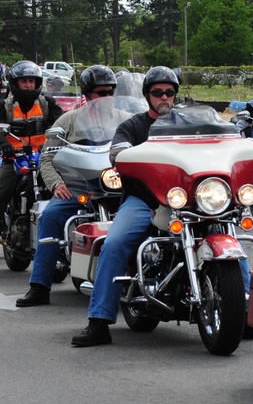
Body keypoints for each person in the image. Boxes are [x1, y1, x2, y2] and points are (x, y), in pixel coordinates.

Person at [69, 66, 180, 345]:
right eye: (158, 93)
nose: (164, 98)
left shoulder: (188, 124)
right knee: (114, 244)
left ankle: (245, 310)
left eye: (170, 92)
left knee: (227, 237)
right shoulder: (133, 126)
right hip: (142, 200)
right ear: (147, 96)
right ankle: (99, 321)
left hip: (185, 201)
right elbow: (116, 150)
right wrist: (121, 153)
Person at [16, 65, 128, 306]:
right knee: (51, 214)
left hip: (117, 188)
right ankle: (39, 286)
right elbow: (47, 157)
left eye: (110, 92)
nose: (106, 97)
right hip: (79, 188)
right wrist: (56, 183)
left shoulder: (125, 120)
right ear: (87, 94)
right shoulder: (69, 120)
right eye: (101, 92)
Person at [0, 60, 64, 277]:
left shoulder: (48, 103)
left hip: (47, 161)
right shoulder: (3, 105)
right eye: (24, 81)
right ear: (15, 83)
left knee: (73, 196)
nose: (28, 85)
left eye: (32, 81)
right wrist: (5, 147)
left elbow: (62, 126)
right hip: (16, 161)